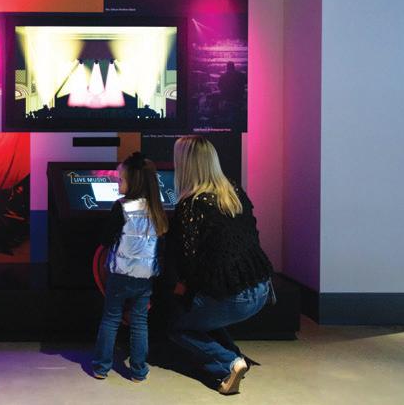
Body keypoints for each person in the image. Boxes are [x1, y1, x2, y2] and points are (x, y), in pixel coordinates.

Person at [167, 136, 273, 395]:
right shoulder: (234, 192)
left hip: (235, 297)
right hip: (262, 289)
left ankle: (228, 362)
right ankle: (236, 356)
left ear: (185, 165)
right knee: (206, 309)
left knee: (176, 325)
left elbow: (187, 262)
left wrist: (179, 289)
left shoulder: (191, 206)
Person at [92, 152, 169, 382]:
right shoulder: (157, 210)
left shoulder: (121, 207)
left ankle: (101, 367)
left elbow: (106, 239)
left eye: (121, 179)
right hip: (145, 278)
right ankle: (138, 371)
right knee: (139, 321)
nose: (118, 183)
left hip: (119, 275)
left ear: (133, 182)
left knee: (111, 318)